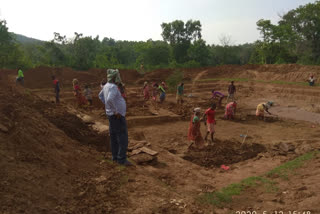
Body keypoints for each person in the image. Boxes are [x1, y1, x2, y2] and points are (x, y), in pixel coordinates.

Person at [99, 69, 132, 166]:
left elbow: (100, 96)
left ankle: (115, 157)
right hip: (117, 116)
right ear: (114, 77)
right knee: (122, 137)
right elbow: (109, 99)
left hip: (111, 116)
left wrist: (108, 107)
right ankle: (121, 160)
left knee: (113, 136)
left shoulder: (106, 86)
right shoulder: (113, 87)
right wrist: (115, 111)